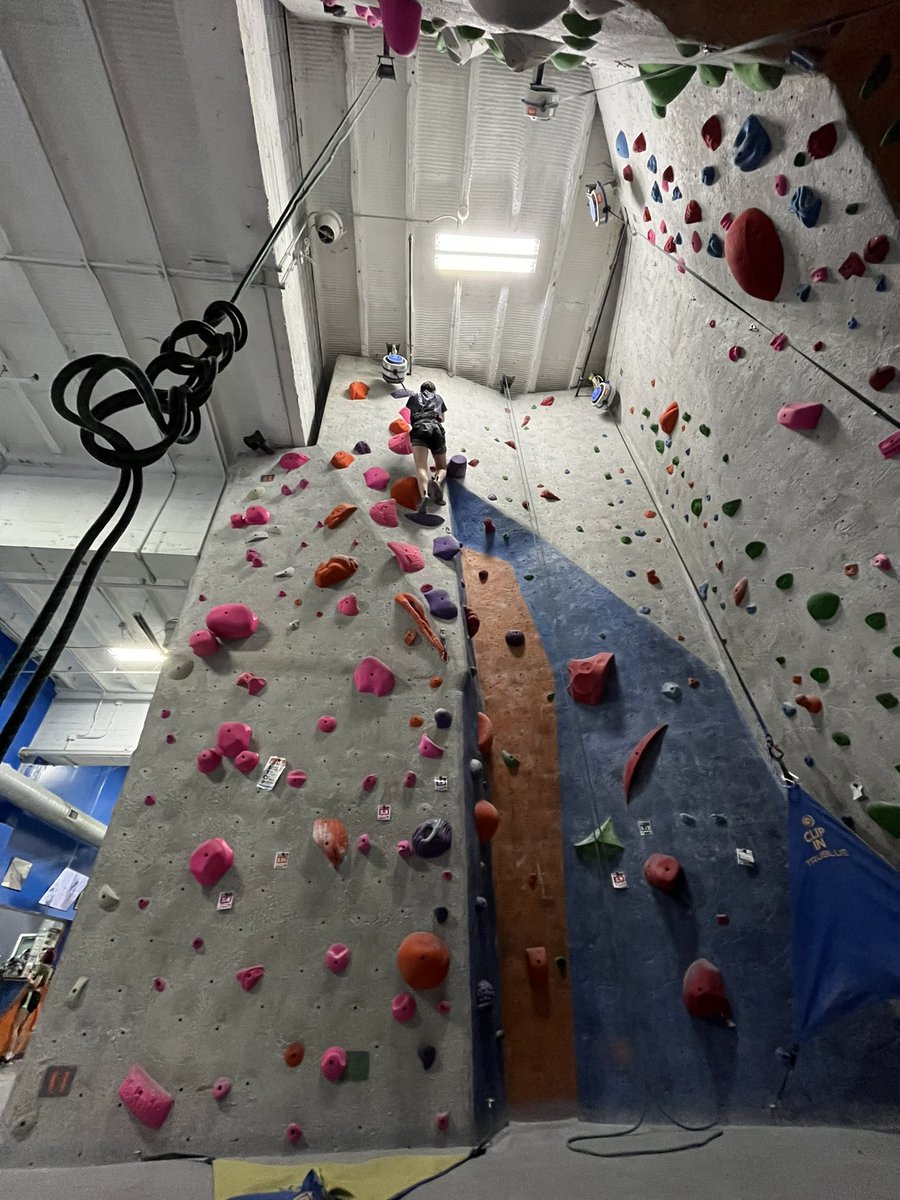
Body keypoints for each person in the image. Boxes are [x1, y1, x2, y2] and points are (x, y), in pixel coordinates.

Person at [2, 946, 55, 1062]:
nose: (41, 955)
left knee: (16, 1026)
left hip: (30, 996)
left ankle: (9, 1053)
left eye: (43, 953)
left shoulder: (42, 968)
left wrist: (29, 977)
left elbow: (35, 984)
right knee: (24, 1026)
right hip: (36, 998)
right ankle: (16, 1052)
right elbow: (43, 984)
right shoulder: (49, 969)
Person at [405, 381, 448, 513]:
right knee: (441, 467)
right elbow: (443, 419)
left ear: (421, 389)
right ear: (433, 391)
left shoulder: (413, 398)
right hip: (436, 429)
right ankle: (437, 480)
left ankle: (425, 495)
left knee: (421, 467)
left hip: (419, 429)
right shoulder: (439, 398)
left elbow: (409, 419)